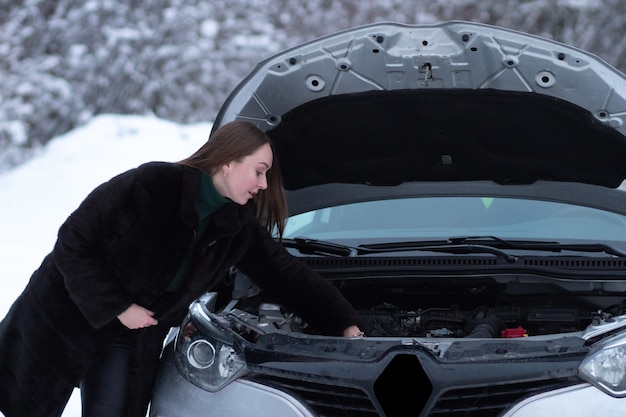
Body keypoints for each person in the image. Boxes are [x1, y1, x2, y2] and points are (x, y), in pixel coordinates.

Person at [0, 121, 363, 417]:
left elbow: (284, 273)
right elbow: (74, 240)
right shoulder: (153, 184)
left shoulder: (236, 226)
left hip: (133, 335)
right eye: (259, 171)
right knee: (31, 406)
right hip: (66, 317)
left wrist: (341, 319)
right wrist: (117, 306)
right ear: (228, 161)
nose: (263, 184)